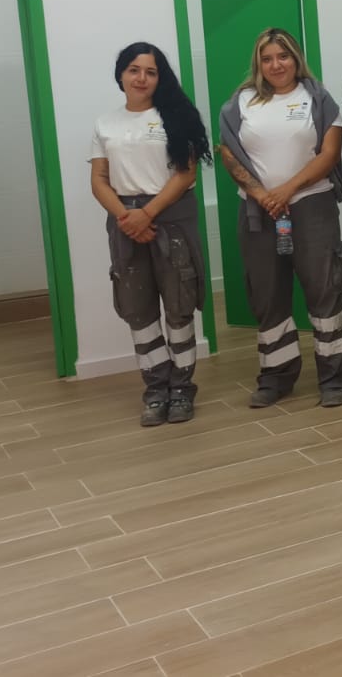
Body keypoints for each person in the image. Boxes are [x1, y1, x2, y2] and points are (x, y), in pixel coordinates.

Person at [217, 28, 342, 408]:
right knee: (267, 294)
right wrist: (263, 195)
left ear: (296, 59)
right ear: (258, 64)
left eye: (283, 56)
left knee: (325, 289)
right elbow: (228, 153)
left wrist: (287, 190)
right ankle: (276, 377)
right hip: (258, 212)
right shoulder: (240, 103)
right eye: (267, 59)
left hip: (312, 206)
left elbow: (329, 154)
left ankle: (334, 378)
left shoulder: (318, 98)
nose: (276, 65)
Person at [89, 42, 212, 427]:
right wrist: (127, 217)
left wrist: (147, 214)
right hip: (125, 222)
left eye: (151, 72)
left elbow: (185, 175)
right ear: (121, 75)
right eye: (134, 70)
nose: (141, 78)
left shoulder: (176, 116)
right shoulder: (106, 123)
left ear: (161, 78)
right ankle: (156, 390)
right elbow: (99, 179)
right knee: (138, 311)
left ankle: (182, 390)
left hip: (170, 219)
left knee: (178, 307)